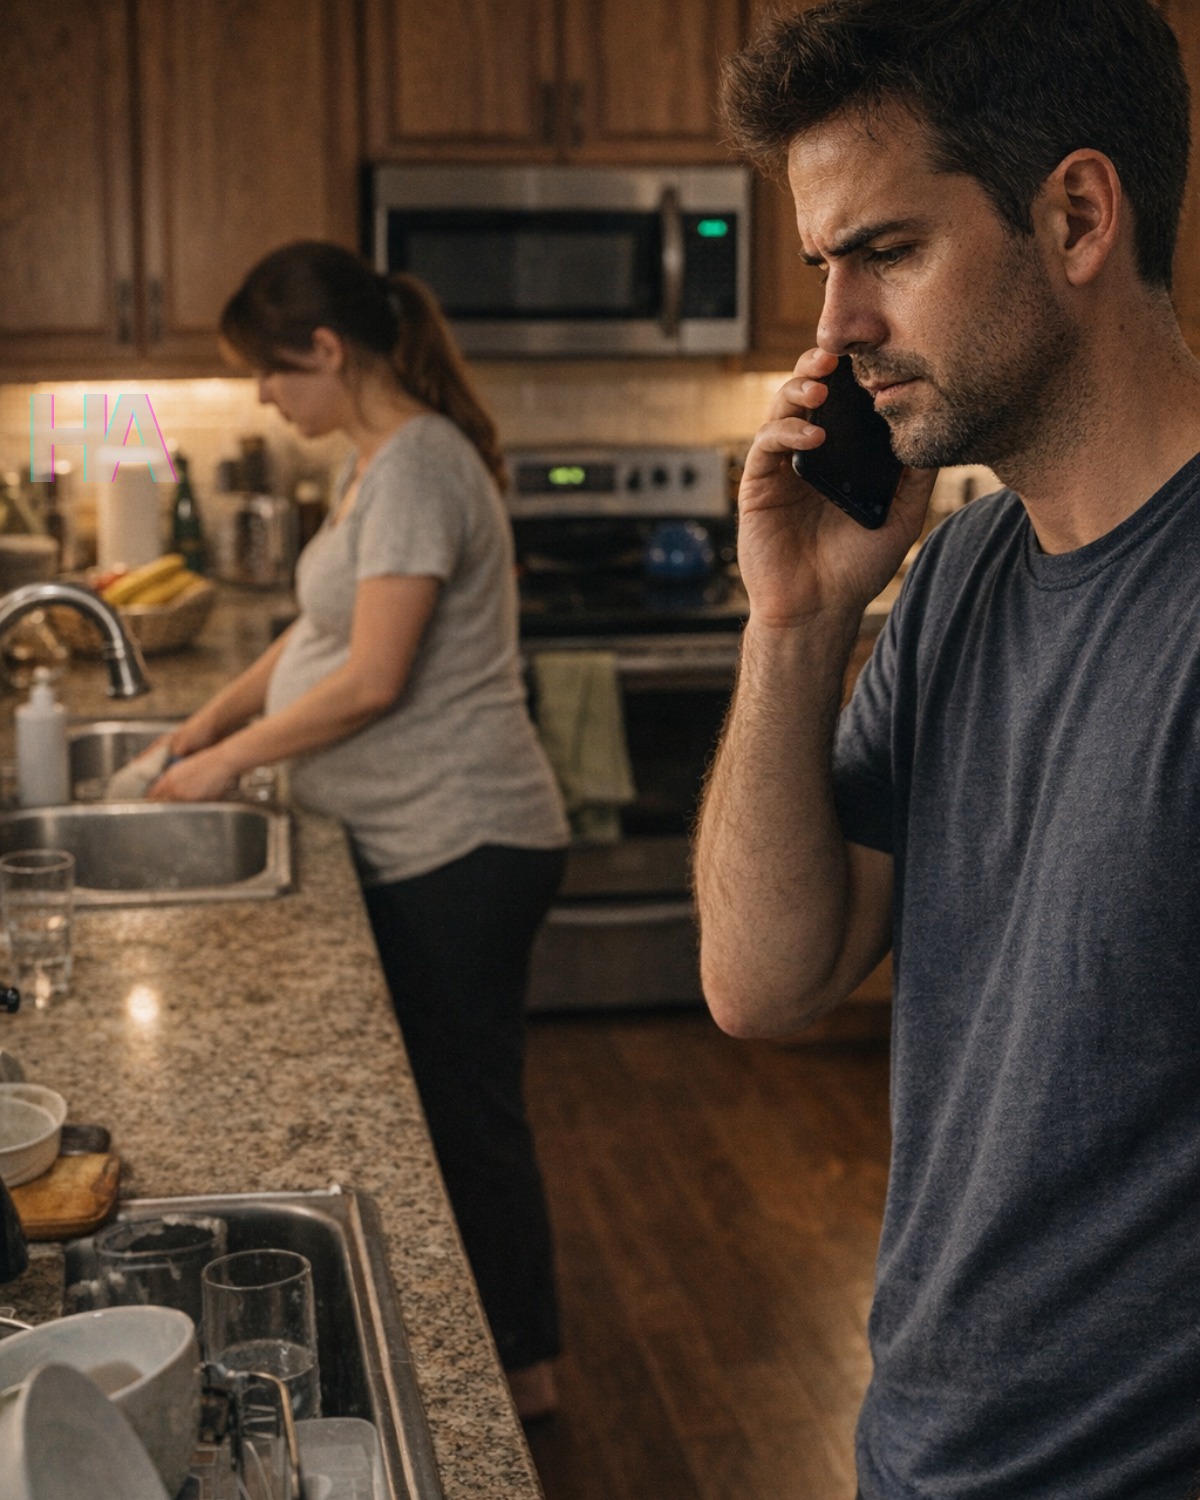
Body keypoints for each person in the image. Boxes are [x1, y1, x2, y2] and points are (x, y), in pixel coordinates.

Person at [694, 1, 1200, 1496]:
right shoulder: (963, 571)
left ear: (1078, 216)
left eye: (889, 252)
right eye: (825, 267)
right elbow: (765, 983)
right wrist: (796, 624)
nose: (834, 328)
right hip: (923, 1447)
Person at [148, 241, 570, 1418]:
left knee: (466, 1118)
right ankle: (492, 1359)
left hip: (463, 841)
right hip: (423, 841)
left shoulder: (420, 464)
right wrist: (209, 722)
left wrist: (229, 761)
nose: (262, 396)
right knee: (446, 1111)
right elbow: (318, 631)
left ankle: (526, 1374)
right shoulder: (377, 460)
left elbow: (374, 677)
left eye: (270, 370)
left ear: (327, 350)